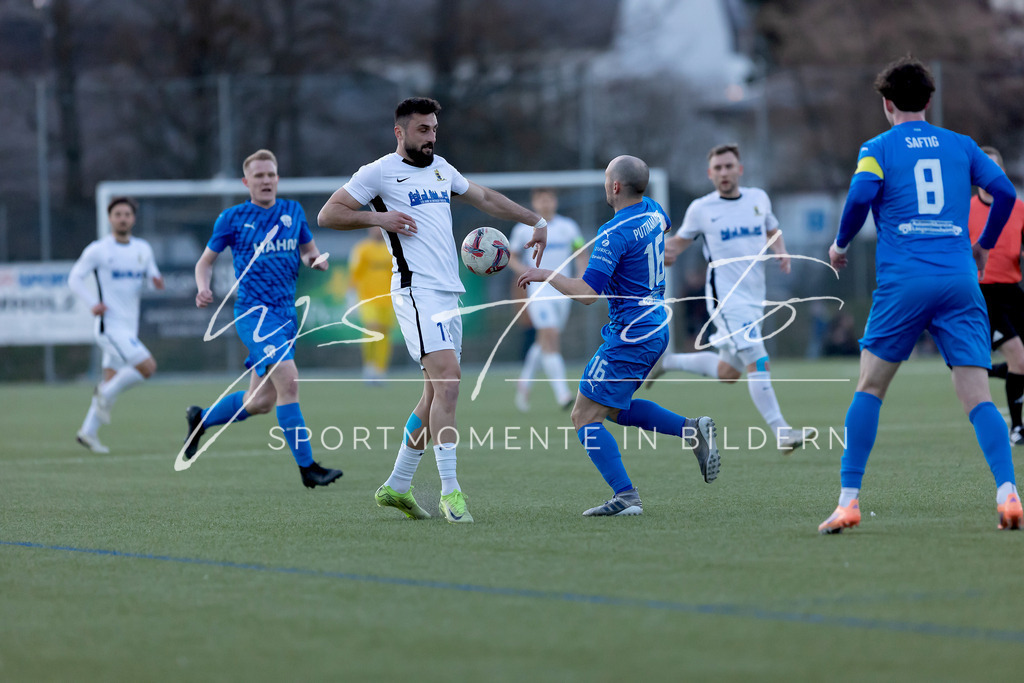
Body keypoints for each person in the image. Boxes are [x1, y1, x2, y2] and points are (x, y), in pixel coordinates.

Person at [317, 97, 548, 524]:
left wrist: (535, 221)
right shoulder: (379, 172)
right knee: (451, 386)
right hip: (414, 292)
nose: (431, 137)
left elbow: (486, 199)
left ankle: (397, 486)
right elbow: (329, 213)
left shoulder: (443, 169)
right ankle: (451, 493)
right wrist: (378, 221)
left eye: (435, 129)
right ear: (400, 132)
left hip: (448, 295)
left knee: (434, 394)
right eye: (423, 130)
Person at [819, 56, 1022, 534]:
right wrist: (984, 246)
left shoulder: (878, 147)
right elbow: (1007, 195)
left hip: (904, 282)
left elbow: (860, 196)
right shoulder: (963, 146)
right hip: (959, 280)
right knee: (977, 397)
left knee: (870, 387)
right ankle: (1008, 491)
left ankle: (849, 501)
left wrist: (841, 244)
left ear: (887, 104)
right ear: (929, 100)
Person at [518, 155, 720, 516]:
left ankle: (626, 496)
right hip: (655, 326)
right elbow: (661, 234)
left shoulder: (613, 232)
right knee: (613, 409)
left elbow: (586, 293)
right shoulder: (654, 210)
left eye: (606, 180)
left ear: (614, 187)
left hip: (631, 333)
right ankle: (691, 430)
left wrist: (545, 275)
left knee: (583, 416)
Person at [183, 149, 343, 489]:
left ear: (277, 178)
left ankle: (201, 419)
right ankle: (308, 468)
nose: (266, 180)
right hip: (254, 315)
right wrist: (202, 288)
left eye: (271, 174)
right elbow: (204, 262)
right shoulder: (232, 218)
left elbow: (308, 251)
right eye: (259, 176)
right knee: (290, 380)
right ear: (246, 182)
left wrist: (316, 260)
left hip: (286, 315)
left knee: (261, 402)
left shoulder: (293, 211)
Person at [646, 143, 815, 452]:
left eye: (729, 166)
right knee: (757, 359)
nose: (724, 172)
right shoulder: (701, 208)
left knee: (729, 372)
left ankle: (667, 361)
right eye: (718, 168)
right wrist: (662, 252)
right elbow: (679, 243)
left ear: (739, 169)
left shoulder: (758, 199)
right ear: (710, 174)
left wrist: (781, 252)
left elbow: (772, 229)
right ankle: (782, 432)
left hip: (754, 298)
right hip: (726, 299)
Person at [69, 197, 164, 453]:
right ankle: (104, 393)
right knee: (147, 367)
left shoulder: (143, 248)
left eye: (127, 214)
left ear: (133, 219)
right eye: (117, 214)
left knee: (111, 379)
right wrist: (92, 303)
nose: (122, 218)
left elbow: (153, 273)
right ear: (110, 218)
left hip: (128, 327)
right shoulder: (99, 249)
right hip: (109, 327)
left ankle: (88, 433)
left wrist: (156, 280)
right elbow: (74, 278)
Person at [508, 188, 587, 412]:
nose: (545, 203)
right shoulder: (522, 229)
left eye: (549, 198)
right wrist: (524, 270)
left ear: (555, 201)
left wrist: (580, 278)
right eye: (541, 199)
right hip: (538, 293)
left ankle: (524, 381)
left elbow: (580, 253)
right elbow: (511, 257)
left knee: (544, 341)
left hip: (563, 291)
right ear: (534, 202)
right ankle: (563, 394)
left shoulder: (568, 227)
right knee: (550, 337)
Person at [967, 146, 1024, 445]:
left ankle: (987, 370)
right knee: (1019, 355)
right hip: (984, 294)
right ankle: (1017, 429)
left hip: (1013, 291)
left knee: (1021, 364)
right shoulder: (965, 211)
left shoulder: (1018, 208)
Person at [348, 227, 397, 385]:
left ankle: (380, 369)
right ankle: (369, 366)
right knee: (372, 328)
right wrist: (351, 297)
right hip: (368, 298)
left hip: (388, 299)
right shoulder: (362, 249)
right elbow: (354, 273)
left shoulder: (392, 249)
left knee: (385, 333)